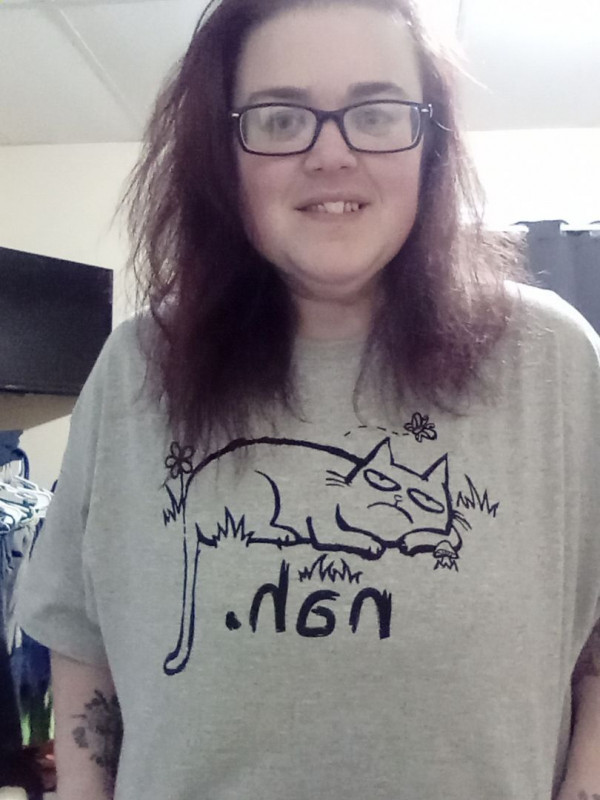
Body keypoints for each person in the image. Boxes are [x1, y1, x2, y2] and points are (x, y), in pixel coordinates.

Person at [16, 0, 600, 797]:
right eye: (282, 118)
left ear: (430, 142)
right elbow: (81, 640)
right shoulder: (136, 369)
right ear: (225, 155)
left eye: (377, 112)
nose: (331, 153)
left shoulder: (555, 362)